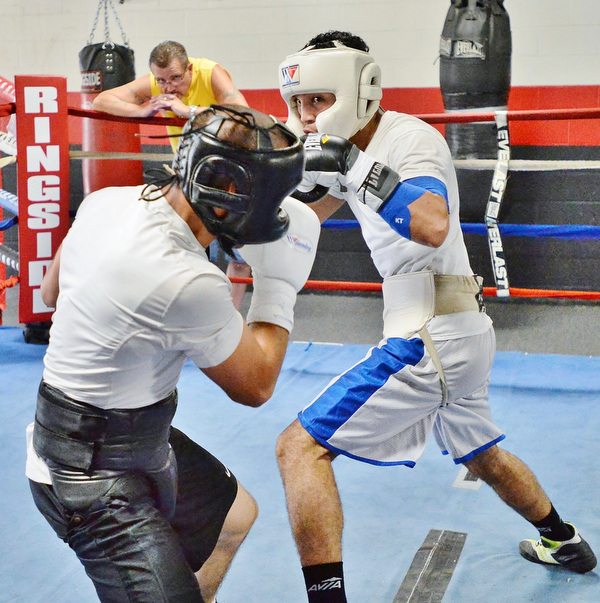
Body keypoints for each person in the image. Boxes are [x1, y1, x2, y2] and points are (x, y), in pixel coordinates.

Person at [275, 30, 596, 603]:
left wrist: (352, 162)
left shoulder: (408, 139)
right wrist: (248, 211)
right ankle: (563, 540)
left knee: (298, 448)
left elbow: (430, 224)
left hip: (432, 334)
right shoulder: (340, 148)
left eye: (318, 100)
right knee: (484, 456)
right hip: (456, 331)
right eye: (298, 102)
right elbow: (310, 213)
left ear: (359, 91)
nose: (306, 115)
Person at [25, 104, 320, 603]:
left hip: (129, 435)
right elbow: (256, 384)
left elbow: (51, 294)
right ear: (229, 192)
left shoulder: (105, 202)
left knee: (234, 516)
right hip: (91, 476)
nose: (273, 213)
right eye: (270, 198)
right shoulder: (186, 279)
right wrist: (279, 283)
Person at [93, 40, 252, 307]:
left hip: (229, 175)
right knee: (180, 248)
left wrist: (187, 112)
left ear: (189, 69)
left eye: (176, 78)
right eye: (163, 81)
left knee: (238, 253)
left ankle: (230, 318)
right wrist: (141, 110)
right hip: (188, 175)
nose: (169, 88)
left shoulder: (210, 73)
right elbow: (101, 100)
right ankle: (185, 313)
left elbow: (243, 114)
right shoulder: (157, 83)